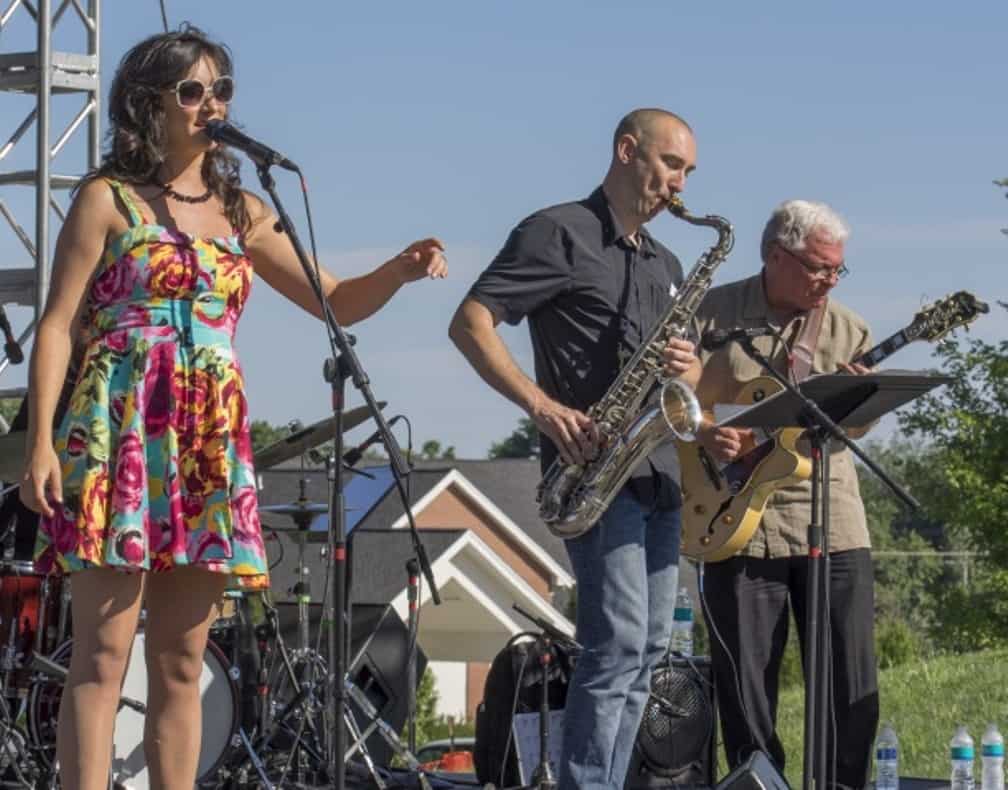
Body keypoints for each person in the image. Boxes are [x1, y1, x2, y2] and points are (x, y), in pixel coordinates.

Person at [19, 25, 447, 790]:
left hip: (206, 443)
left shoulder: (242, 209)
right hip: (118, 433)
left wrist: (401, 270)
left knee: (182, 662)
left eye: (221, 90)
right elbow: (55, 324)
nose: (210, 104)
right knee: (103, 656)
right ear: (146, 104)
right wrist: (41, 444)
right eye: (192, 91)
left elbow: (337, 300)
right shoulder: (106, 201)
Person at [450, 108, 701, 790]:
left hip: (657, 472)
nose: (680, 184)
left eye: (688, 172)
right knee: (613, 645)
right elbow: (469, 322)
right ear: (627, 151)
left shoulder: (668, 261)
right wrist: (542, 406)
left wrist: (689, 368)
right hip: (594, 472)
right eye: (671, 165)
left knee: (647, 653)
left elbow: (687, 380)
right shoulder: (556, 231)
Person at [693, 199, 879, 789]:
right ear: (776, 255)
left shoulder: (849, 330)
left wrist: (857, 401)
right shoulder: (709, 312)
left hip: (834, 520)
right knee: (745, 690)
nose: (829, 280)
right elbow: (666, 401)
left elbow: (857, 424)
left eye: (836, 270)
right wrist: (705, 433)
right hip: (735, 520)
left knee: (851, 687)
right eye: (819, 267)